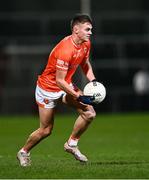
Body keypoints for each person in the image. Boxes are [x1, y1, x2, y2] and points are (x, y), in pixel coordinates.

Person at [17, 13, 97, 167]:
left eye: (91, 29)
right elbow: (59, 81)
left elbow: (85, 64)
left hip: (65, 85)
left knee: (89, 113)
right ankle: (23, 151)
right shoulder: (65, 50)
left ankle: (71, 144)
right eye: (87, 29)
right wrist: (79, 96)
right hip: (47, 88)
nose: (90, 32)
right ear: (76, 29)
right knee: (46, 130)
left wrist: (93, 81)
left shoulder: (86, 43)